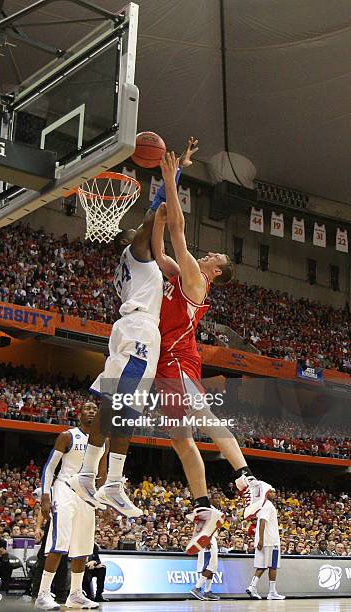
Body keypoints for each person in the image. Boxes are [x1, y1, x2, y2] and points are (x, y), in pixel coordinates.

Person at [151, 149, 272, 554]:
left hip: (178, 360)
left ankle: (248, 479)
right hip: (162, 363)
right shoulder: (177, 273)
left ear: (216, 271)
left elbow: (179, 232)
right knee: (180, 440)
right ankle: (204, 509)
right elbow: (159, 249)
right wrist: (158, 213)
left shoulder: (196, 281)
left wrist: (173, 177)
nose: (206, 255)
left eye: (213, 257)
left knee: (204, 417)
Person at [70, 139, 196, 517]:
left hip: (132, 330)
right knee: (121, 407)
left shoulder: (135, 270)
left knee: (119, 407)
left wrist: (176, 175)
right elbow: (151, 221)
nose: (138, 233)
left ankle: (99, 479)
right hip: (140, 332)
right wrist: (169, 177)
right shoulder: (136, 256)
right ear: (129, 243)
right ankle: (99, 480)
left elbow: (157, 226)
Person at [35, 402, 107, 610]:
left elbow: (101, 475)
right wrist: (45, 496)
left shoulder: (103, 441)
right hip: (64, 489)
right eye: (88, 409)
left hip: (87, 495)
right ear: (79, 415)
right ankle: (43, 594)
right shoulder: (67, 435)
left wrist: (101, 500)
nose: (92, 412)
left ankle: (75, 594)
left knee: (83, 546)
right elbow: (49, 468)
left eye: (95, 409)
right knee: (59, 542)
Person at [246, 489, 285, 600]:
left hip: (264, 540)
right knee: (273, 566)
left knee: (261, 566)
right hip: (270, 541)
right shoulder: (268, 505)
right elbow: (263, 521)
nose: (274, 493)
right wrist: (261, 540)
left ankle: (252, 586)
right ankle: (272, 592)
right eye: (272, 492)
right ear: (266, 494)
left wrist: (260, 540)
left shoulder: (264, 505)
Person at [190, 534, 220, 601]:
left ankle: (207, 591)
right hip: (207, 538)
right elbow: (205, 526)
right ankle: (196, 588)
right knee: (209, 566)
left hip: (211, 538)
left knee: (213, 567)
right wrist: (207, 540)